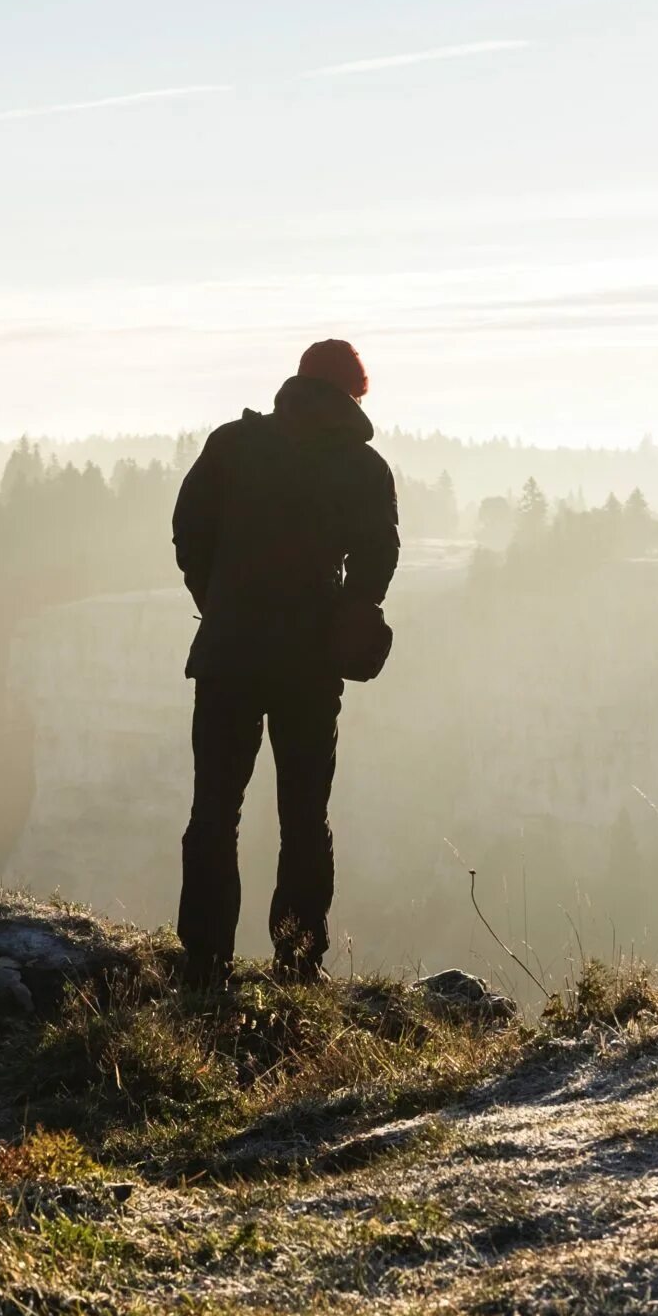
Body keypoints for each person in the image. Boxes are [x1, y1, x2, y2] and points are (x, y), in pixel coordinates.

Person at [171, 339, 399, 987]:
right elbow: (378, 555)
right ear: (353, 393)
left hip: (227, 653)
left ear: (297, 384)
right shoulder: (360, 467)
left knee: (214, 810)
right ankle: (298, 964)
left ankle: (204, 964)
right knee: (304, 816)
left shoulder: (232, 446)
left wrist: (216, 601)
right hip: (308, 663)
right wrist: (351, 608)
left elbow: (190, 532)